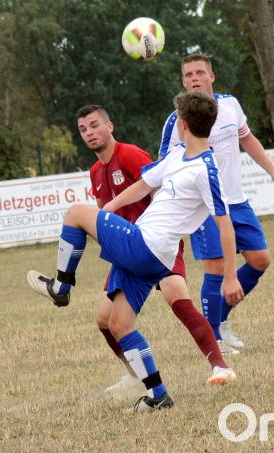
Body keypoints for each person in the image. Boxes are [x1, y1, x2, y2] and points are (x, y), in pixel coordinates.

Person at [27, 92, 245, 411]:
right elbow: (143, 185)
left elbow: (225, 225)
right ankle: (158, 394)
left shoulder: (206, 168)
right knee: (119, 323)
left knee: (75, 213)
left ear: (182, 124)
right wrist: (110, 210)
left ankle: (61, 286)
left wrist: (230, 277)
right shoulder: (178, 155)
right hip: (150, 253)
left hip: (149, 245)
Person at [76, 104, 236, 391]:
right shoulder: (95, 172)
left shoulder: (131, 154)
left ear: (109, 126)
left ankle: (219, 364)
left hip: (157, 243)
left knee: (179, 301)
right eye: (83, 129)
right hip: (129, 247)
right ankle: (135, 374)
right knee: (105, 320)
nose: (90, 133)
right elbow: (115, 203)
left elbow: (158, 189)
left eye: (95, 125)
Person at [159, 54, 274, 351]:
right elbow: (163, 167)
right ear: (183, 81)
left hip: (237, 201)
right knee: (216, 269)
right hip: (203, 207)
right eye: (188, 75)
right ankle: (215, 342)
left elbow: (248, 139)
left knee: (260, 260)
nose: (193, 78)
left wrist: (273, 171)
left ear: (211, 76)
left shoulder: (230, 105)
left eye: (199, 73)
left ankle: (219, 320)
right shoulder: (177, 121)